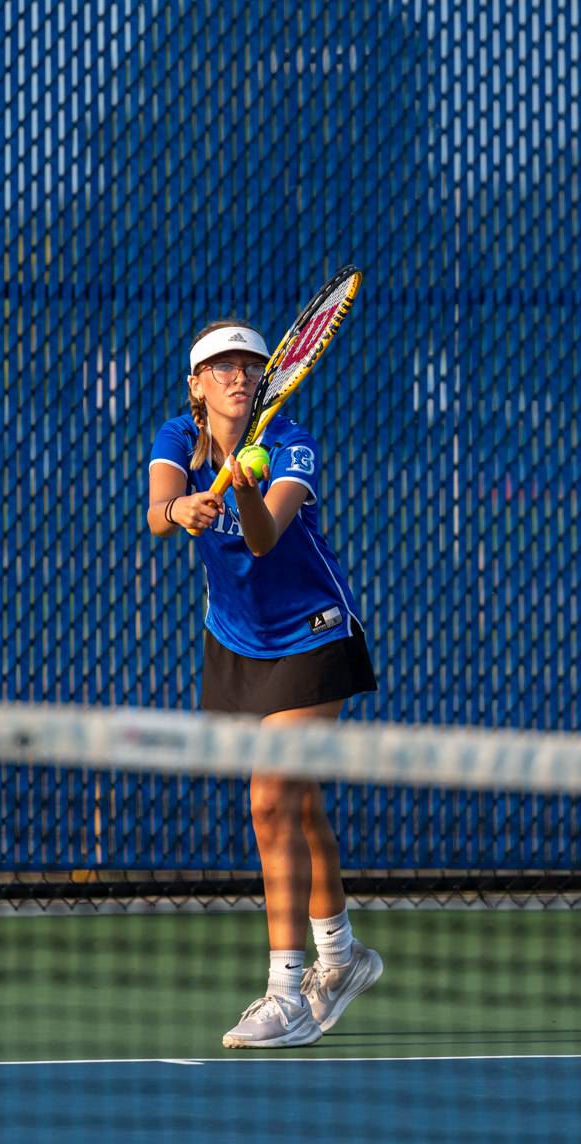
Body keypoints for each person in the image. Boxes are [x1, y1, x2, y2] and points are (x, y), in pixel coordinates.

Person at [147, 318, 383, 1048]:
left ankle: (287, 992)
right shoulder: (174, 439)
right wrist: (180, 506)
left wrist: (243, 488)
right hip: (237, 642)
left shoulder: (292, 444)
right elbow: (158, 515)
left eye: (250, 366)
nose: (238, 377)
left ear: (270, 375)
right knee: (299, 802)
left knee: (272, 795)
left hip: (313, 635)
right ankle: (342, 958)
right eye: (221, 367)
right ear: (196, 385)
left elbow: (262, 537)